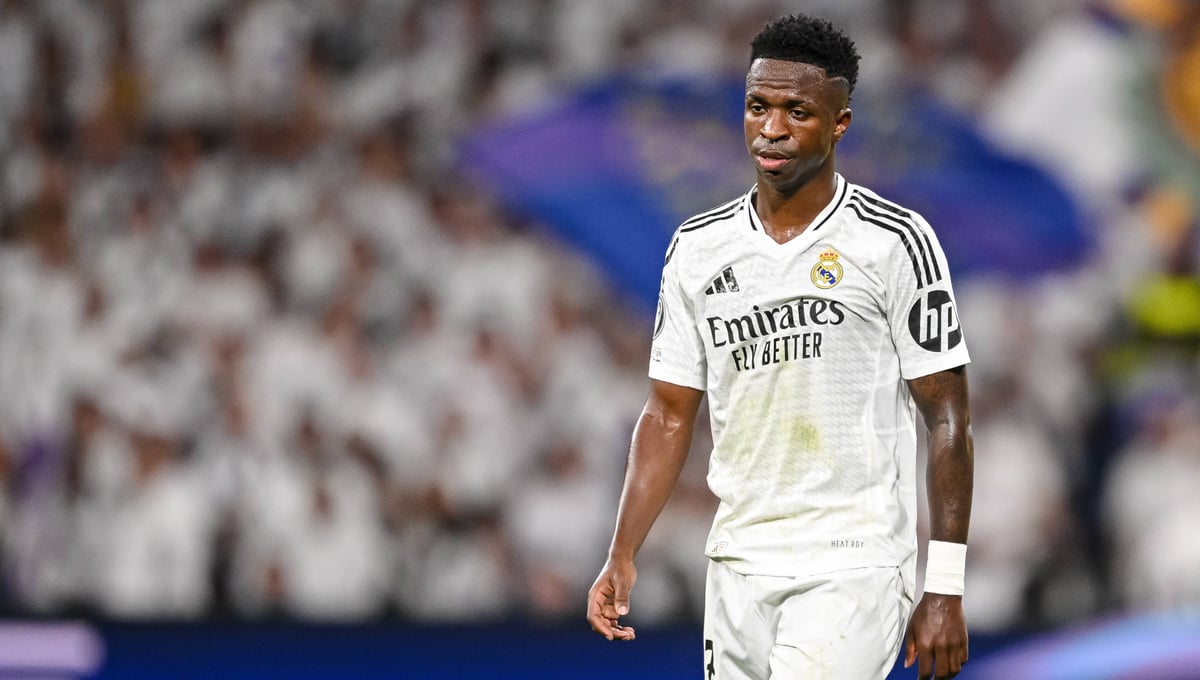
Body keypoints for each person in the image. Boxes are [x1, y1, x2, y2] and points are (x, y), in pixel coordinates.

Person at [586, 13, 975, 680]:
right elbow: (669, 413)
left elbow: (948, 415)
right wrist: (621, 552)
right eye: (757, 106)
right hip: (737, 563)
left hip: (852, 562)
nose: (771, 128)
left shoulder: (893, 242)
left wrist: (945, 584)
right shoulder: (697, 249)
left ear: (840, 123)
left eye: (797, 111)